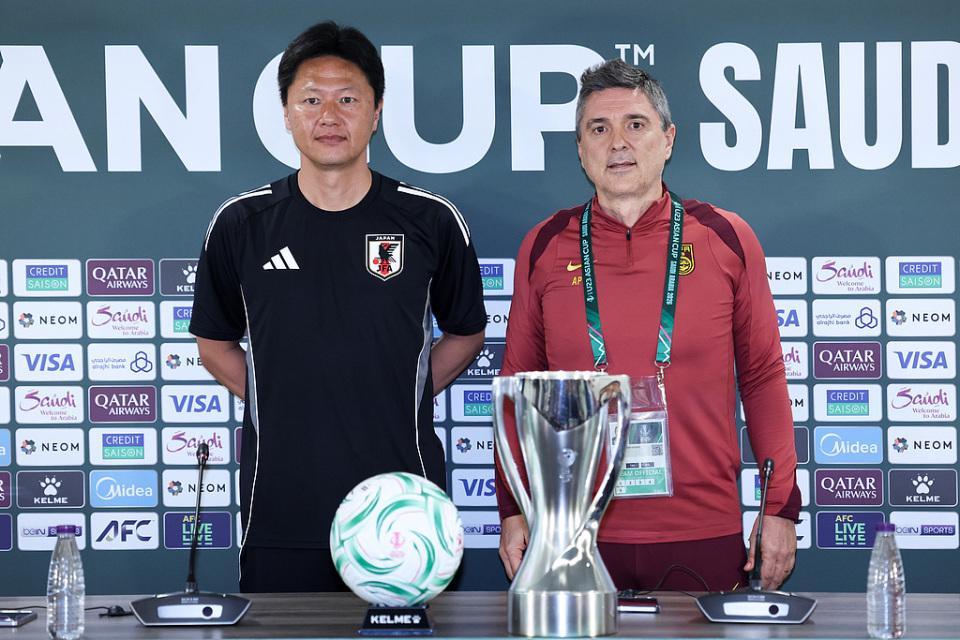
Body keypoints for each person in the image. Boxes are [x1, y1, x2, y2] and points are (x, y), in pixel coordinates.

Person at [190, 21, 486, 592]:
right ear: (286, 112)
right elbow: (214, 343)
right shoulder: (241, 224)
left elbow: (467, 332)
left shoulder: (430, 220)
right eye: (311, 100)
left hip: (406, 515)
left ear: (376, 112)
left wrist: (400, 390)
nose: (329, 115)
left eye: (348, 99)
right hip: (281, 509)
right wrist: (282, 395)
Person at [495, 59, 800, 592]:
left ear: (668, 139)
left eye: (635, 124)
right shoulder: (544, 245)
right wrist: (512, 507)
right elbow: (516, 391)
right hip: (572, 531)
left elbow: (762, 377)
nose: (618, 142)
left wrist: (778, 509)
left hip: (703, 529)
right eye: (598, 128)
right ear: (580, 149)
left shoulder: (725, 237)